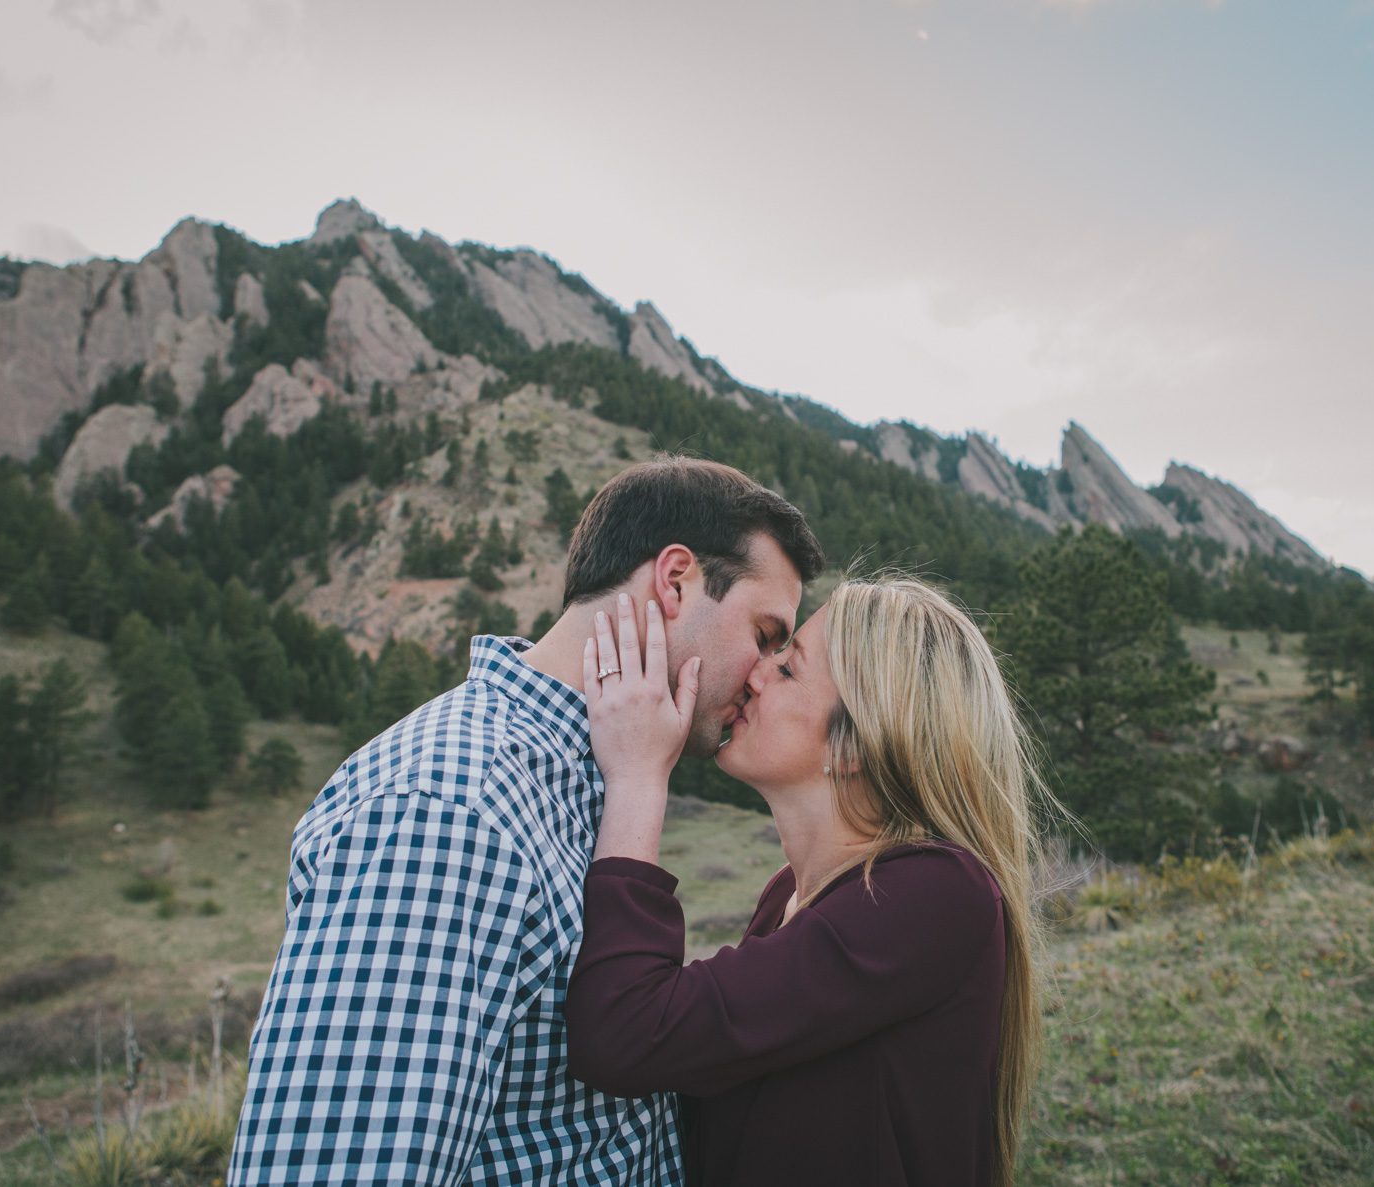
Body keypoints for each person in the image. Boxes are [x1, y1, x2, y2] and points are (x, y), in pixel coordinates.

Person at [227, 458, 824, 1185]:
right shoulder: (450, 808)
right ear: (674, 581)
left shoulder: (595, 780)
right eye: (765, 634)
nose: (766, 673)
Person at [565, 574, 1052, 1187]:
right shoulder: (787, 897)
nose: (755, 673)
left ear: (856, 742)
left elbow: (627, 1031)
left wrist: (637, 777)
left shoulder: (937, 895)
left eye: (788, 669)